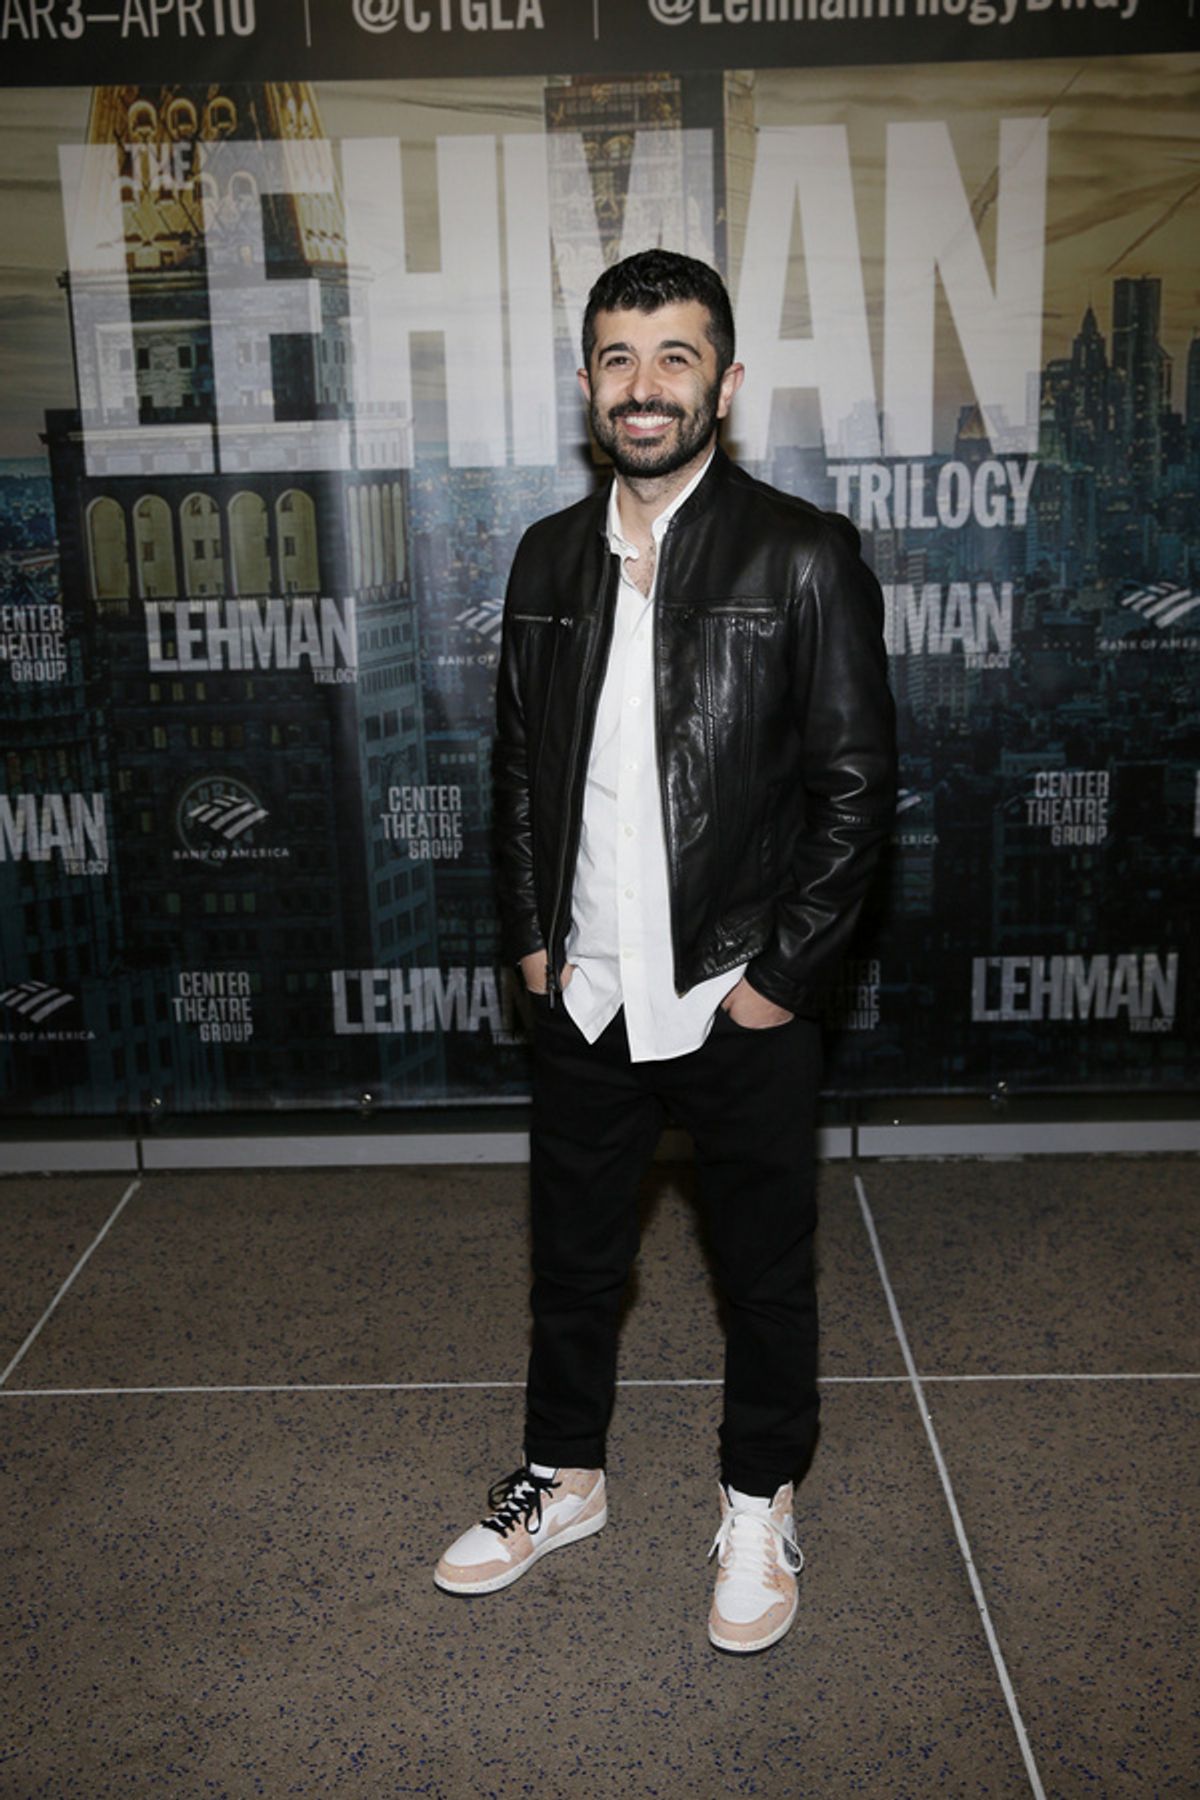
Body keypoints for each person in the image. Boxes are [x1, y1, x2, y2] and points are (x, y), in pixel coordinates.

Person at [434, 248, 896, 1653]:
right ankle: (565, 1477)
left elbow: (859, 791)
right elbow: (519, 771)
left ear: (726, 382)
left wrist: (777, 981)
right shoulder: (545, 558)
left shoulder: (801, 554)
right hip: (583, 990)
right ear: (587, 386)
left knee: (764, 1273)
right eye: (620, 360)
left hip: (734, 994)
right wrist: (530, 946)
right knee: (575, 1262)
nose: (646, 387)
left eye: (675, 356)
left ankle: (759, 1499)